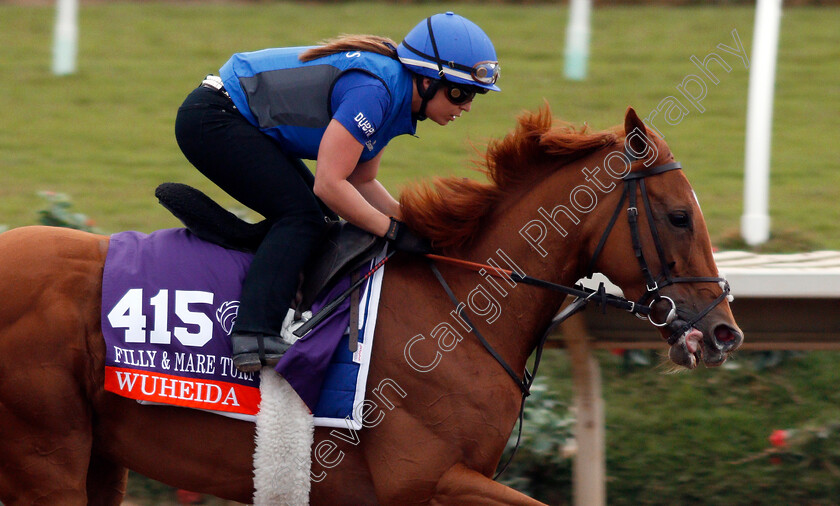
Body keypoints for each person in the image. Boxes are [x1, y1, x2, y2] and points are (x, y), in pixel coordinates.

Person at [174, 12, 500, 373]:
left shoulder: (395, 99)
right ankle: (253, 334)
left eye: (474, 96)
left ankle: (269, 288)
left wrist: (414, 226)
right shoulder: (375, 91)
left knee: (319, 218)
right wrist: (392, 231)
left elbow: (361, 182)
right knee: (301, 217)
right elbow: (329, 183)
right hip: (214, 118)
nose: (466, 107)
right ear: (426, 80)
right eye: (461, 93)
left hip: (236, 119)